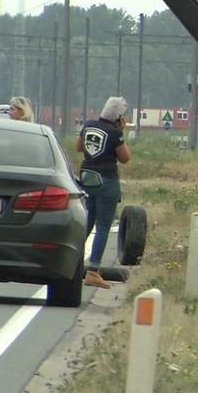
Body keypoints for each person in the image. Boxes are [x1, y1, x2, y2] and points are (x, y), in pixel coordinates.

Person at [75, 96, 132, 288]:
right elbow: (125, 158)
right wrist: (121, 132)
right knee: (102, 227)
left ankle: (73, 264)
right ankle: (93, 271)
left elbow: (78, 147)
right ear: (119, 117)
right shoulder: (115, 133)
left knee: (87, 223)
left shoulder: (89, 125)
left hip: (86, 178)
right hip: (106, 181)